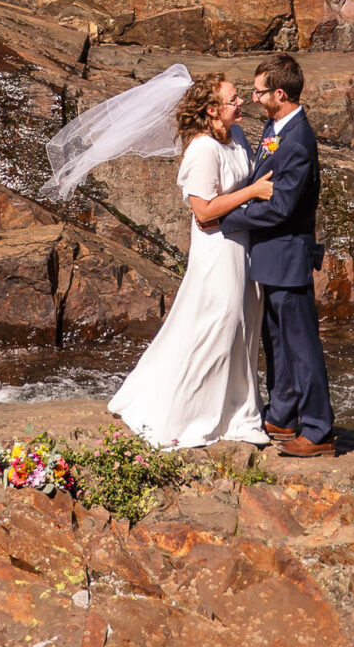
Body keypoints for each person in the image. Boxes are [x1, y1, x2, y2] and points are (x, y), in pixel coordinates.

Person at [103, 73, 275, 450]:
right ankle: (188, 412)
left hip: (242, 245)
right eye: (233, 100)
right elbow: (204, 211)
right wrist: (255, 191)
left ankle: (236, 410)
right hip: (217, 249)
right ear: (212, 110)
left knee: (243, 325)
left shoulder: (239, 137)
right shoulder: (202, 150)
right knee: (218, 322)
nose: (241, 102)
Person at [222, 54, 335, 457]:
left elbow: (283, 205)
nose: (253, 98)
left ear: (280, 94)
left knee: (302, 346)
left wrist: (231, 216)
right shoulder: (276, 127)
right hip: (272, 256)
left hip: (289, 256)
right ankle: (283, 414)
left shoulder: (299, 140)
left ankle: (319, 429)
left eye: (259, 92)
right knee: (277, 342)